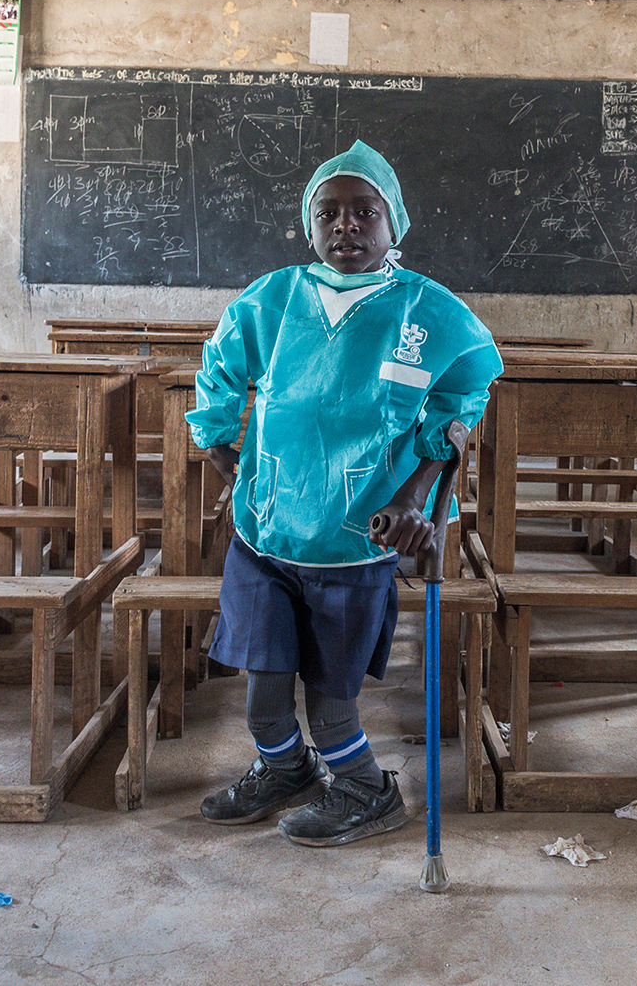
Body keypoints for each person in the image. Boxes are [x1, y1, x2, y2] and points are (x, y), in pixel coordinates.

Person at [186, 140, 503, 847]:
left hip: (355, 541)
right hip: (266, 534)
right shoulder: (269, 300)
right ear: (309, 225)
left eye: (366, 211)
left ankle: (366, 789)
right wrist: (228, 458)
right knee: (264, 698)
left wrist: (419, 498)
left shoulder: (426, 313)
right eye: (329, 212)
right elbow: (216, 380)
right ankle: (286, 768)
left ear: (396, 224)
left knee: (332, 707)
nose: (347, 226)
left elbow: (455, 413)